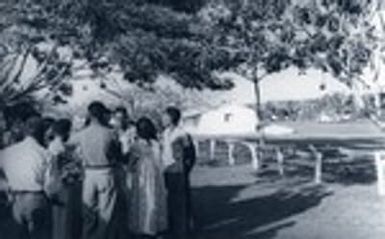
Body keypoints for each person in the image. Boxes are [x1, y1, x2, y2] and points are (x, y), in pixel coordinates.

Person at [68, 101, 121, 239]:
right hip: (105, 172)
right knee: (105, 212)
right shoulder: (110, 133)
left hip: (89, 173)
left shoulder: (81, 134)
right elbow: (116, 154)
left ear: (89, 114)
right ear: (102, 114)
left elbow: (66, 146)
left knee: (88, 212)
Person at [1, 115, 54, 239]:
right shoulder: (45, 154)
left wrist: (5, 185)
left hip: (14, 200)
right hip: (36, 199)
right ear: (42, 132)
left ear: (25, 131)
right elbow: (50, 185)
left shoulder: (9, 151)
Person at [128, 117, 168, 239]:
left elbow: (131, 162)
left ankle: (142, 226)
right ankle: (153, 225)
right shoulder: (156, 143)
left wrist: (130, 169)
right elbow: (160, 159)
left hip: (141, 173)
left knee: (142, 197)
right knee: (153, 197)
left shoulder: (136, 144)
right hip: (154, 173)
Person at [161, 107, 196, 239]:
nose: (162, 119)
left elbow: (190, 155)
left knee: (181, 201)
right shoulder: (164, 133)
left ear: (171, 118)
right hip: (166, 169)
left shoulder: (182, 134)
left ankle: (182, 230)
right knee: (169, 200)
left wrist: (185, 170)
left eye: (164, 116)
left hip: (178, 170)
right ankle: (172, 227)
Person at [47, 119, 82, 239]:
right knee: (64, 218)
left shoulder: (57, 145)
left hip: (60, 183)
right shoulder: (58, 147)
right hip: (62, 184)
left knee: (61, 218)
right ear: (66, 131)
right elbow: (56, 168)